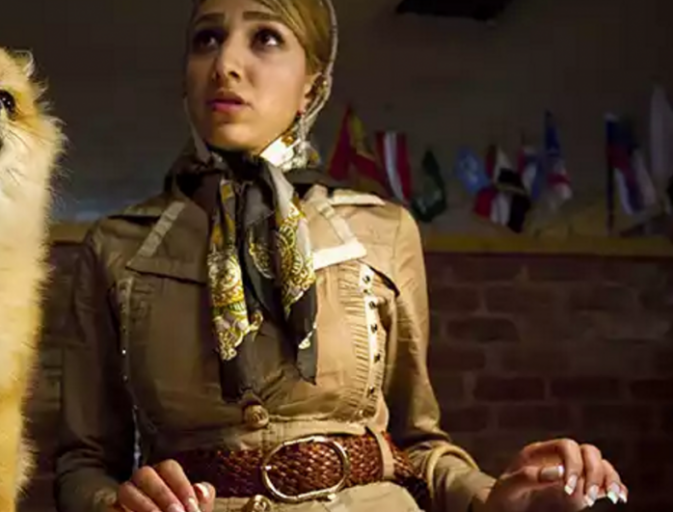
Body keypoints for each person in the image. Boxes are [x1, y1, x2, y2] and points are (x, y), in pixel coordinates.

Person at [53, 0, 627, 511]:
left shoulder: (380, 230)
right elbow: (83, 464)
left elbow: (418, 445)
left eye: (266, 38)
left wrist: (495, 497)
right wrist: (113, 504)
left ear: (312, 83)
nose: (225, 63)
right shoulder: (120, 246)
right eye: (207, 39)